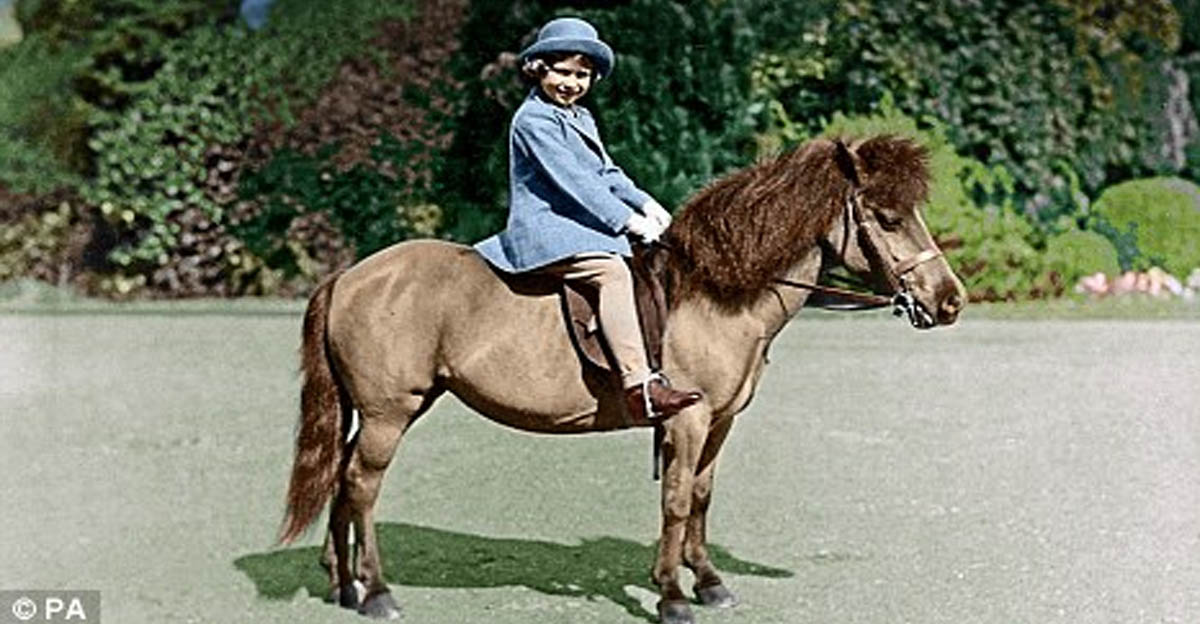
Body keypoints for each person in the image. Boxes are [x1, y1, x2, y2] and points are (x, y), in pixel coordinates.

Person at [475, 16, 701, 424]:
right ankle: (639, 387)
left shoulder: (580, 117)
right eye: (562, 71)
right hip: (548, 228)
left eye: (582, 75)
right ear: (539, 68)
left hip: (577, 226)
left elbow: (607, 173)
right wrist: (626, 220)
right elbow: (575, 182)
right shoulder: (533, 120)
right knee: (612, 272)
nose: (571, 83)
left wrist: (646, 202)